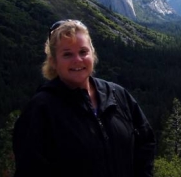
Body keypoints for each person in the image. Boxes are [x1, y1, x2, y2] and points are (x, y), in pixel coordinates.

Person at [13, 19, 156, 177]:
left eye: (83, 52)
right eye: (67, 54)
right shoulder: (41, 109)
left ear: (92, 55)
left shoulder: (117, 94)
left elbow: (145, 141)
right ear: (53, 61)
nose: (78, 60)